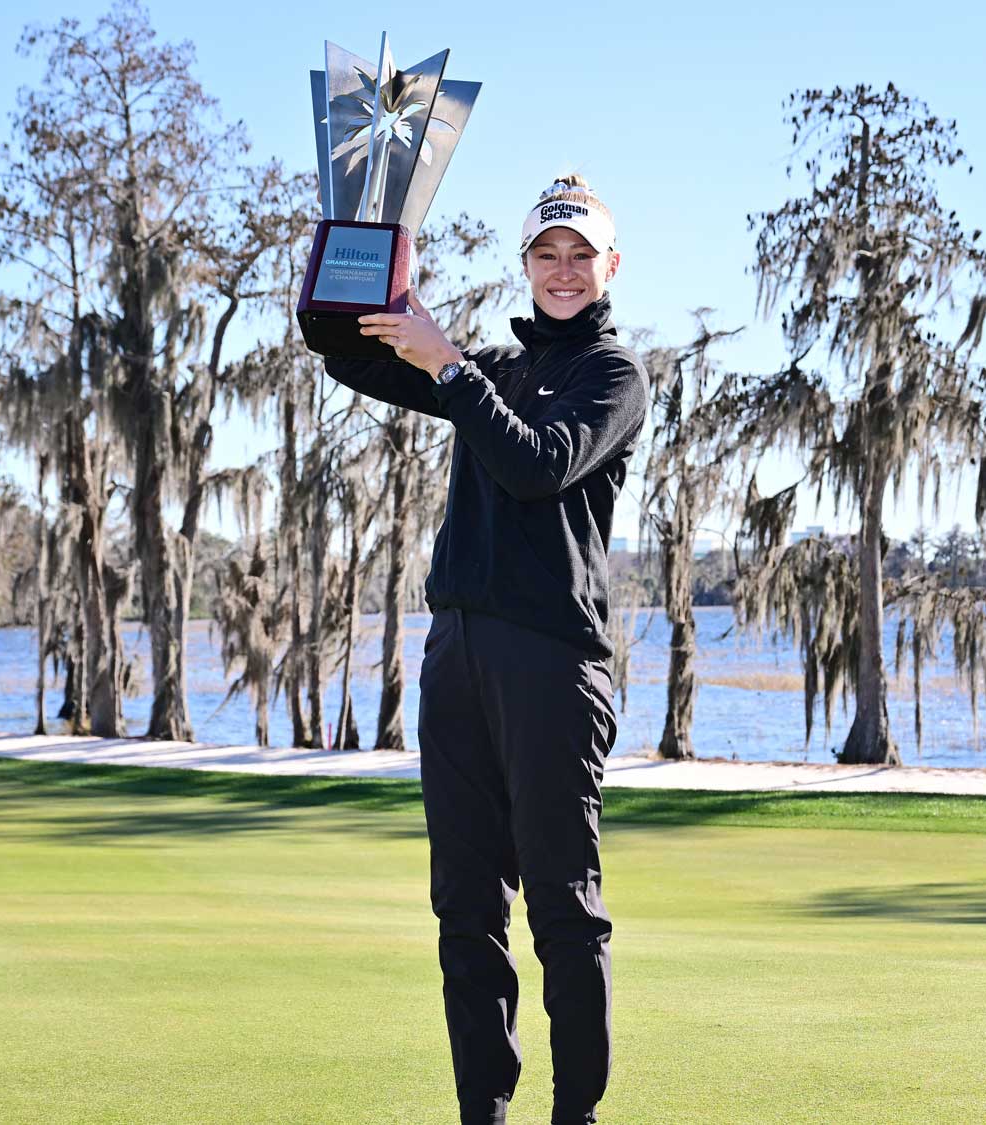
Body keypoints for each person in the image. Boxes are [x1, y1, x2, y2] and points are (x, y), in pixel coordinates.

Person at [323, 174, 648, 1125]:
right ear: (526, 265)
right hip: (456, 657)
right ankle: (484, 1114)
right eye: (546, 255)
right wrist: (365, 257)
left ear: (609, 268)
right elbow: (345, 358)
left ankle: (574, 1117)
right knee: (465, 908)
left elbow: (537, 465)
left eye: (580, 256)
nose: (562, 271)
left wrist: (451, 365)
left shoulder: (614, 375)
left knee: (561, 907)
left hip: (553, 662)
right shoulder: (496, 369)